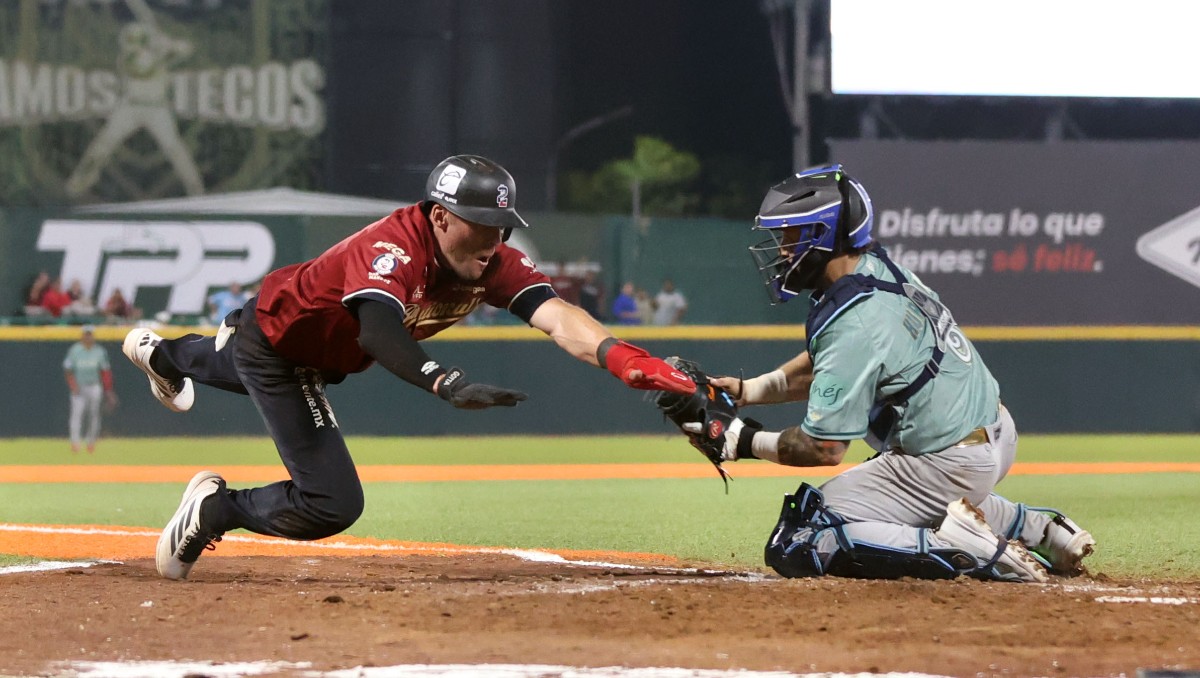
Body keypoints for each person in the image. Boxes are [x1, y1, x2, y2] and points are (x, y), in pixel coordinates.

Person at [122, 154, 696, 581]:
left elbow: (558, 316)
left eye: (502, 227)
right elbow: (378, 330)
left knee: (224, 359)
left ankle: (161, 353)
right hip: (284, 349)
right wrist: (443, 381)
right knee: (332, 502)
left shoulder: (488, 260)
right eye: (480, 223)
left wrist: (623, 359)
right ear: (442, 218)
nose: (495, 241)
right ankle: (215, 508)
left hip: (298, 335)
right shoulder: (394, 250)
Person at [684, 164, 1095, 583]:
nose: (783, 250)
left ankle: (961, 548)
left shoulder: (854, 324)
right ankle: (1041, 530)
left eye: (792, 235)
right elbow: (831, 365)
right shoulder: (876, 270)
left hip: (948, 459)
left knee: (805, 536)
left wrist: (739, 440)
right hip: (990, 433)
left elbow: (823, 448)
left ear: (822, 235)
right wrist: (747, 391)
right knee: (892, 504)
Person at [64, 325, 118, 453]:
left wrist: (108, 390)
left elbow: (105, 371)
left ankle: (91, 442)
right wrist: (73, 385)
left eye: (90, 334)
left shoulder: (99, 351)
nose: (88, 337)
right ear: (82, 336)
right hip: (79, 387)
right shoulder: (75, 350)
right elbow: (68, 370)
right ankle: (75, 443)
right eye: (86, 334)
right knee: (76, 415)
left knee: (94, 415)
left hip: (94, 386)